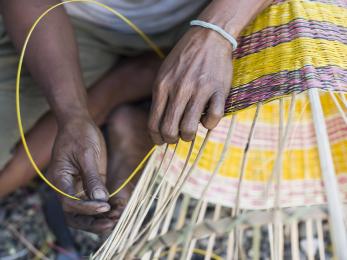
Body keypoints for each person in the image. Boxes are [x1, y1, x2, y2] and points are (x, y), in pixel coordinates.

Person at [0, 0, 271, 234]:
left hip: (215, 12)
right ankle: (125, 87)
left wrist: (214, 34)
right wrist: (72, 113)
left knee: (284, 75)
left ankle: (137, 88)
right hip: (69, 24)